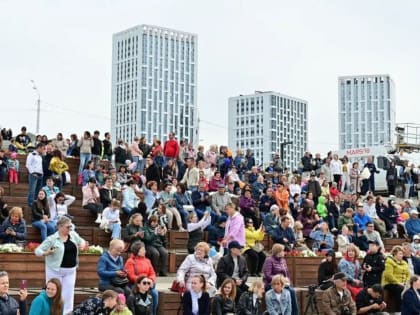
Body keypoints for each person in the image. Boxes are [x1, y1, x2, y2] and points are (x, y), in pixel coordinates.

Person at [35, 216, 87, 314]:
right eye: (68, 227)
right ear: (60, 227)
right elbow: (37, 251)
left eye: (70, 226)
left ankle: (67, 313)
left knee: (68, 294)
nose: (70, 229)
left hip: (71, 271)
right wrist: (45, 253)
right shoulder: (52, 239)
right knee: (54, 292)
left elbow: (82, 241)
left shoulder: (73, 235)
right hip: (55, 270)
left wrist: (82, 245)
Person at [124, 241, 158, 315]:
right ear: (137, 251)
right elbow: (131, 276)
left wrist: (150, 280)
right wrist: (142, 281)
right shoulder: (130, 261)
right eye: (143, 249)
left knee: (154, 293)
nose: (145, 251)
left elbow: (152, 273)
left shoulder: (147, 261)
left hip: (146, 283)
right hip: (135, 284)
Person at [381, 245, 410, 313]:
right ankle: (398, 311)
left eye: (402, 254)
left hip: (402, 283)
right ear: (394, 254)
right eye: (400, 254)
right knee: (400, 289)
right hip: (389, 283)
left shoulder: (404, 263)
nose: (402, 255)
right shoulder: (389, 262)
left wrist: (407, 282)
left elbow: (408, 274)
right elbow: (388, 275)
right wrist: (398, 282)